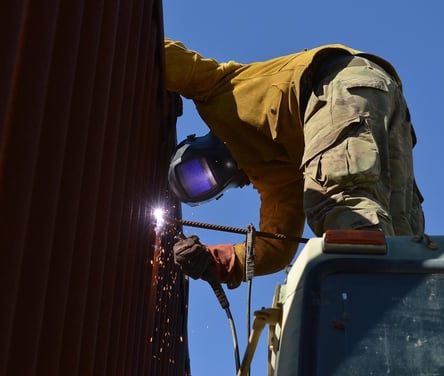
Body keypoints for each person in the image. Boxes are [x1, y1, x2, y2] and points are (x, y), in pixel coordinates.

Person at [164, 38, 425, 288]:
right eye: (203, 186)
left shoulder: (215, 90)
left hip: (336, 83)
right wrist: (212, 261)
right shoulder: (276, 182)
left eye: (194, 170)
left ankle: (365, 294)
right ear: (220, 192)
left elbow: (159, 52)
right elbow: (276, 248)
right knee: (404, 240)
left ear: (194, 145)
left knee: (337, 199)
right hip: (386, 99)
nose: (209, 174)